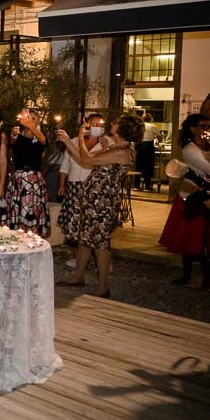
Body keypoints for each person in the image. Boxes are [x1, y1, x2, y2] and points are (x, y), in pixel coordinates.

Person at [56, 114, 143, 298]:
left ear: (123, 129)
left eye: (116, 121)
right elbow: (83, 157)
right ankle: (78, 277)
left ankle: (103, 287)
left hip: (102, 202)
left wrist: (80, 137)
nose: (113, 122)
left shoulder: (122, 151)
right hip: (94, 198)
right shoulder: (115, 147)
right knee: (85, 237)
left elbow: (87, 160)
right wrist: (66, 140)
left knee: (100, 243)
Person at [160, 114, 210, 290]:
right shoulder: (190, 149)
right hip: (192, 196)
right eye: (202, 126)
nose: (207, 129)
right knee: (190, 237)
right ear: (192, 129)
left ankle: (206, 279)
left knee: (209, 239)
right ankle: (187, 275)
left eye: (209, 126)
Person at [58, 113, 107, 248]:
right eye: (94, 124)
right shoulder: (75, 140)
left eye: (100, 124)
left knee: (87, 220)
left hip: (91, 186)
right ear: (88, 125)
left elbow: (97, 162)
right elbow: (65, 164)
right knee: (73, 217)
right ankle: (76, 247)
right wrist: (61, 185)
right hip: (73, 183)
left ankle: (85, 248)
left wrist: (105, 147)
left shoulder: (106, 142)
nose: (97, 126)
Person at [6, 110, 49, 236]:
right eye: (28, 118)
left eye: (34, 118)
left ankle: (34, 240)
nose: (31, 120)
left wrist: (32, 127)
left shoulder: (40, 135)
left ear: (38, 121)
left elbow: (44, 141)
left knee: (33, 212)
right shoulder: (18, 134)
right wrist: (14, 134)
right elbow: (12, 142)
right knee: (18, 211)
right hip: (19, 179)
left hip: (34, 180)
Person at [136, 113, 160, 191]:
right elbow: (159, 137)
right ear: (151, 119)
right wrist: (158, 141)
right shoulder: (153, 126)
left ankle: (136, 186)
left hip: (139, 146)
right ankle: (147, 186)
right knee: (148, 166)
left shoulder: (139, 125)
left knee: (139, 165)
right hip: (148, 147)